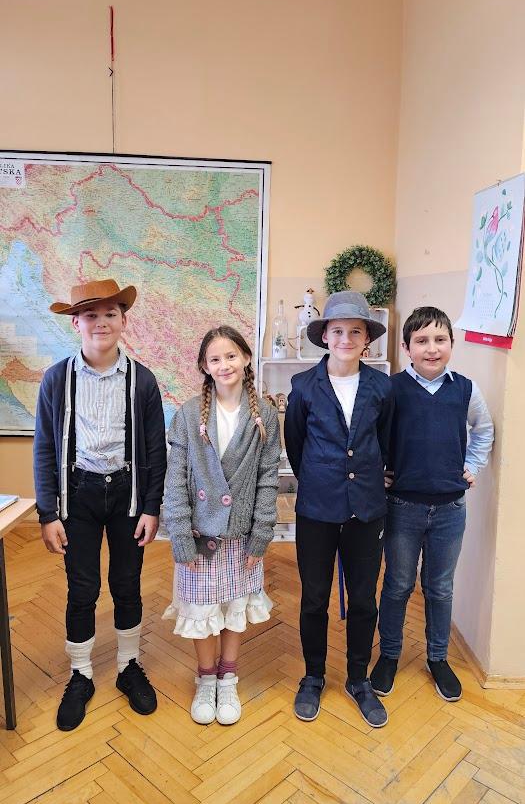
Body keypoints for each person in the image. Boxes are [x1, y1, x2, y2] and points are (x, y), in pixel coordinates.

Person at [34, 279, 167, 730]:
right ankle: (81, 674)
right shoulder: (57, 379)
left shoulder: (142, 380)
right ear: (76, 323)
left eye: (110, 314)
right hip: (78, 495)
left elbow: (156, 449)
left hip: (128, 494)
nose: (101, 323)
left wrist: (151, 507)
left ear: (123, 321)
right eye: (91, 315)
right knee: (83, 588)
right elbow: (44, 447)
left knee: (127, 583)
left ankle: (129, 666)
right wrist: (48, 513)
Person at [371, 306, 494, 702]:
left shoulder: (465, 389)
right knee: (398, 585)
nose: (431, 348)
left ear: (452, 345)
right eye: (421, 341)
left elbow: (484, 429)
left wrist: (473, 465)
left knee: (439, 587)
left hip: (450, 510)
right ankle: (389, 654)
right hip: (402, 507)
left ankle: (438, 658)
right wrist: (377, 471)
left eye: (440, 339)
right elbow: (371, 435)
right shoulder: (391, 389)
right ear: (406, 348)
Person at [284, 291, 394, 728]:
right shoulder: (303, 387)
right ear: (325, 337)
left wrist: (370, 476)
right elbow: (296, 445)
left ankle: (358, 678)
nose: (346, 339)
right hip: (317, 508)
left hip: (366, 508)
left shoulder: (382, 388)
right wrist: (321, 480)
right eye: (338, 331)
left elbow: (385, 441)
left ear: (366, 339)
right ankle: (313, 676)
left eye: (355, 331)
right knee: (314, 597)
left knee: (364, 598)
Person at [163, 325, 280, 725]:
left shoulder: (264, 414)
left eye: (231, 355)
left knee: (234, 606)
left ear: (246, 358)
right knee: (201, 608)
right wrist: (179, 534)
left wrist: (261, 535)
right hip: (200, 535)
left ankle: (228, 676)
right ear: (204, 365)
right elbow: (175, 479)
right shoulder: (188, 413)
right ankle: (206, 678)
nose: (224, 364)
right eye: (215, 359)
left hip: (241, 535)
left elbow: (268, 478)